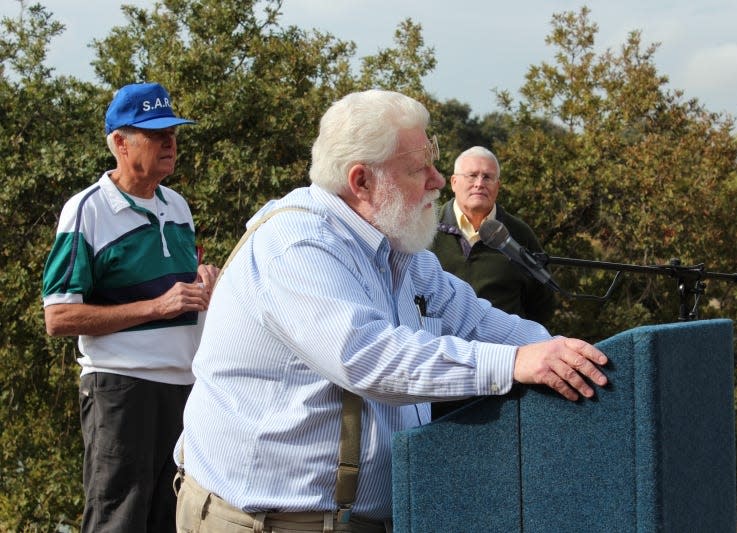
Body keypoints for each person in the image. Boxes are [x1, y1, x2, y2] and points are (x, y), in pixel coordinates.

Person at [175, 89, 608, 533]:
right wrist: (516, 363)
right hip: (263, 524)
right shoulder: (296, 244)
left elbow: (476, 320)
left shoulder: (399, 249)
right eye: (419, 168)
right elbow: (368, 357)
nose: (438, 181)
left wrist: (573, 357)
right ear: (361, 181)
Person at [42, 82, 219, 533]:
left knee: (171, 521)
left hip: (184, 390)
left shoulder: (177, 207)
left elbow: (177, 300)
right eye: (156, 133)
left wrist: (207, 291)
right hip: (122, 389)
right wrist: (158, 306)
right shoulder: (86, 210)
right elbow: (58, 317)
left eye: (173, 132)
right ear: (119, 143)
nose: (169, 143)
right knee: (117, 522)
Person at [429, 146, 556, 418]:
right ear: (453, 182)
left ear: (498, 186)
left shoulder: (519, 235)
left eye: (487, 177)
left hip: (505, 382)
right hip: (438, 379)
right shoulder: (426, 230)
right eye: (471, 175)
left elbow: (542, 304)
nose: (479, 183)